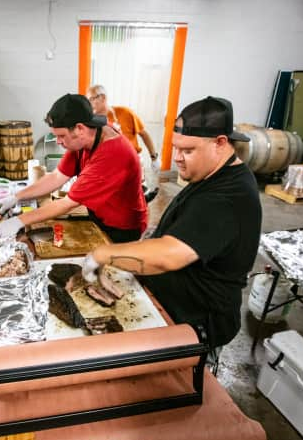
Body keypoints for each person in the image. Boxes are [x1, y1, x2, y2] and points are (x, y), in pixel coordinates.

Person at [82, 96, 262, 353]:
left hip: (198, 323)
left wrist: (104, 254)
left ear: (220, 143)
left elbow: (170, 255)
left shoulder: (230, 196)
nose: (176, 157)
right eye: (175, 147)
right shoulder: (211, 174)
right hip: (171, 305)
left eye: (188, 151)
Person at [0, 93, 147, 243]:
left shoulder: (111, 153)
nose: (58, 141)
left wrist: (19, 221)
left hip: (121, 227)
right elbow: (57, 176)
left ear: (79, 128)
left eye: (61, 136)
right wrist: (17, 196)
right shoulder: (85, 136)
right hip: (100, 213)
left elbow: (67, 203)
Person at [86, 84, 159, 164]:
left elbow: (144, 134)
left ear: (103, 97)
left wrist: (154, 158)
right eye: (87, 101)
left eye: (91, 99)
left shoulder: (125, 112)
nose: (89, 104)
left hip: (133, 161)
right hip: (110, 164)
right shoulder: (91, 123)